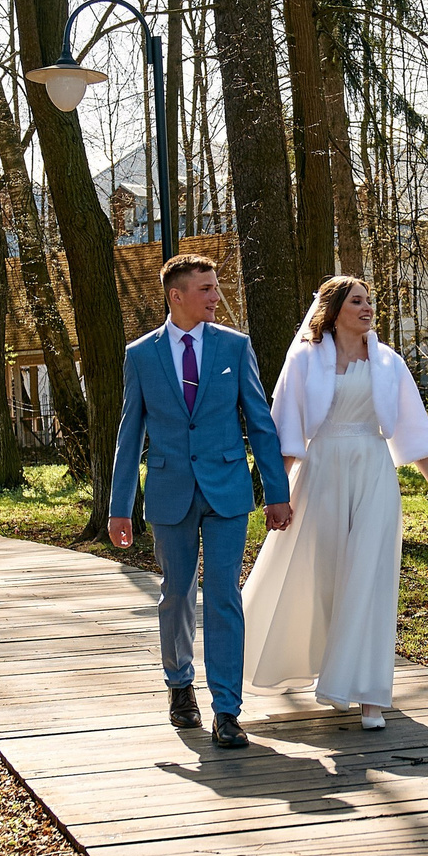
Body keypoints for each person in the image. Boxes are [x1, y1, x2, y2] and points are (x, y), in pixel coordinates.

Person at [242, 276, 428, 731]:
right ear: (333, 310)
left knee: (370, 579)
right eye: (357, 301)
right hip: (321, 475)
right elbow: (289, 432)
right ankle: (332, 674)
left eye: (370, 300)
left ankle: (370, 695)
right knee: (323, 579)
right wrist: (276, 493)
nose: (367, 307)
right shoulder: (304, 360)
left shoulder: (388, 363)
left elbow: (412, 433)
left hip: (374, 471)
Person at [107, 253, 293, 748]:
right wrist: (119, 505)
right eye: (207, 289)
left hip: (228, 490)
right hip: (170, 491)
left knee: (226, 597)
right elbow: (130, 433)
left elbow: (260, 422)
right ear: (178, 295)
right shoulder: (141, 355)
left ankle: (228, 710)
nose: (216, 297)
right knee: (176, 594)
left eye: (216, 288)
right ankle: (179, 684)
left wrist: (277, 492)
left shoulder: (235, 346)